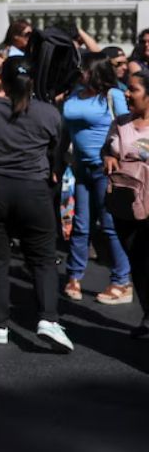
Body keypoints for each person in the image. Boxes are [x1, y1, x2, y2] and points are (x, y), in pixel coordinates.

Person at [0, 56, 73, 351]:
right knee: (43, 259)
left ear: (2, 80)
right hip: (33, 191)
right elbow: (54, 154)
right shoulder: (49, 113)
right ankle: (48, 318)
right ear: (33, 81)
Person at [62, 52, 133, 304]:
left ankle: (122, 280)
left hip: (107, 170)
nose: (81, 73)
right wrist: (58, 160)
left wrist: (112, 154)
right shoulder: (74, 94)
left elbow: (126, 131)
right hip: (80, 169)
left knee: (110, 226)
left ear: (96, 71)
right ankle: (74, 275)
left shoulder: (113, 96)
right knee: (80, 225)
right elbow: (65, 131)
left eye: (85, 69)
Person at [103, 72, 149, 338]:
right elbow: (106, 149)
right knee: (138, 262)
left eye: (133, 89)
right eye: (126, 89)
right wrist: (108, 156)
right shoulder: (120, 123)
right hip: (125, 204)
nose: (126, 94)